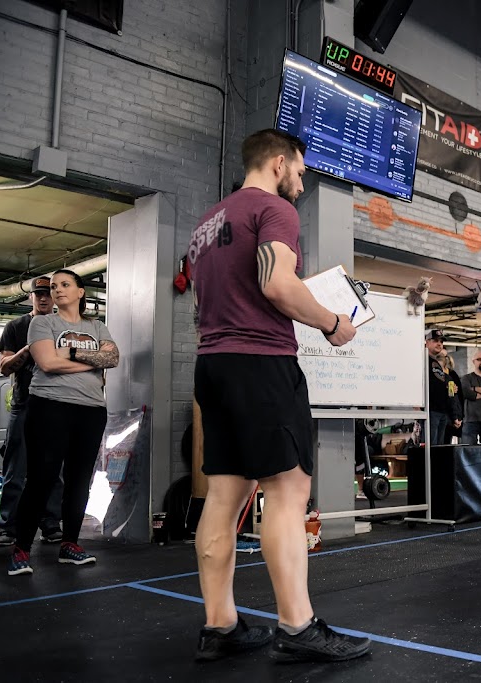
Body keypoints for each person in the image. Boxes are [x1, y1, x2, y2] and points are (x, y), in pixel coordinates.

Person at [187, 129, 370, 662]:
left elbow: (237, 287)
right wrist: (333, 322)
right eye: (300, 167)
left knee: (224, 495)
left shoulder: (207, 223)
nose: (303, 176)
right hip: (261, 364)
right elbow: (274, 284)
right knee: (287, 492)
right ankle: (297, 627)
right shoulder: (275, 211)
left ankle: (219, 626)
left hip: (213, 363)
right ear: (277, 162)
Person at [7, 270, 118, 576]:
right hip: (49, 407)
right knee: (42, 478)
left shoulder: (97, 325)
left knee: (80, 480)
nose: (56, 291)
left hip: (91, 409)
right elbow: (46, 362)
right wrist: (89, 357)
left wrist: (67, 351)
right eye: (53, 287)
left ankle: (71, 544)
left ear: (81, 292)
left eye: (64, 285)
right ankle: (21, 550)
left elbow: (112, 358)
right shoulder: (42, 323)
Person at [0, 276, 63, 547]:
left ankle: (50, 523)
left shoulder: (63, 327)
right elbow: (4, 367)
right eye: (39, 294)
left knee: (53, 468)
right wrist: (29, 348)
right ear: (31, 298)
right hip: (24, 405)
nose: (44, 298)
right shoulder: (15, 326)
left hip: (56, 406)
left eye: (48, 293)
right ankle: (9, 527)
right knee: (16, 467)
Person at [425, 330, 458, 446]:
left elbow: (440, 384)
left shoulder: (436, 363)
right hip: (430, 411)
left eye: (441, 341)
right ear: (427, 342)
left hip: (442, 411)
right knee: (431, 448)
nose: (439, 343)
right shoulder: (422, 360)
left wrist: (450, 388)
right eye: (435, 341)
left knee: (439, 448)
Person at [440, 351, 464, 443]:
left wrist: (458, 417)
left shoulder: (452, 375)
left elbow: (457, 398)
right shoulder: (433, 374)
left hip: (449, 416)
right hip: (439, 413)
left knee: (445, 443)